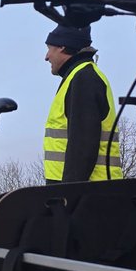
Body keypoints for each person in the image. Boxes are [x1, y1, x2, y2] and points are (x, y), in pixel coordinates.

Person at [42, 24, 123, 183]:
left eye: (49, 48)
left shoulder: (83, 78)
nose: (46, 57)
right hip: (87, 190)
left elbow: (83, 146)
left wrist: (69, 193)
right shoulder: (79, 76)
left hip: (90, 191)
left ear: (62, 46)